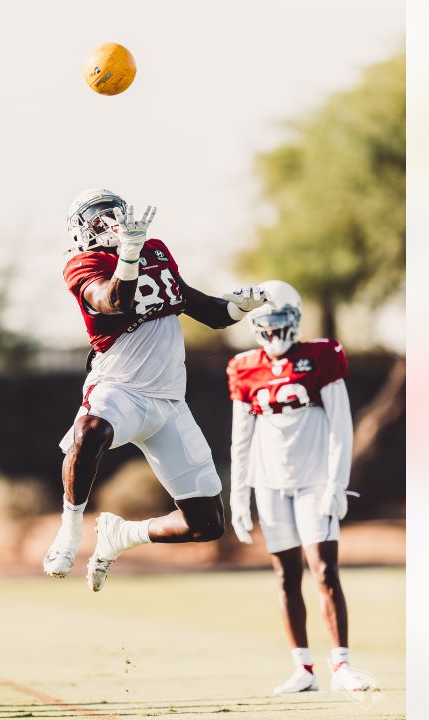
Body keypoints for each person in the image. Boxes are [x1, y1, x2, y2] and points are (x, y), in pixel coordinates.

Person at [42, 187, 270, 592]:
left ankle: (121, 536)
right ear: (83, 230)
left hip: (169, 404)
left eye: (115, 213)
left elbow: (204, 311)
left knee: (206, 524)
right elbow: (116, 301)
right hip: (120, 389)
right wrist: (127, 255)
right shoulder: (84, 263)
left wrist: (239, 307)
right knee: (91, 430)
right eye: (99, 218)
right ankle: (70, 529)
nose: (111, 222)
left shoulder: (156, 250)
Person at [226, 280, 374, 694]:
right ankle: (303, 669)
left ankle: (341, 665)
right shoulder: (243, 367)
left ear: (294, 319)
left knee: (324, 571)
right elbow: (241, 437)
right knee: (285, 574)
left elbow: (341, 425)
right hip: (269, 485)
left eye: (279, 323)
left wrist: (336, 483)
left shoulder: (321, 356)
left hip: (314, 482)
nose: (273, 334)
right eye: (265, 325)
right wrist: (240, 495)